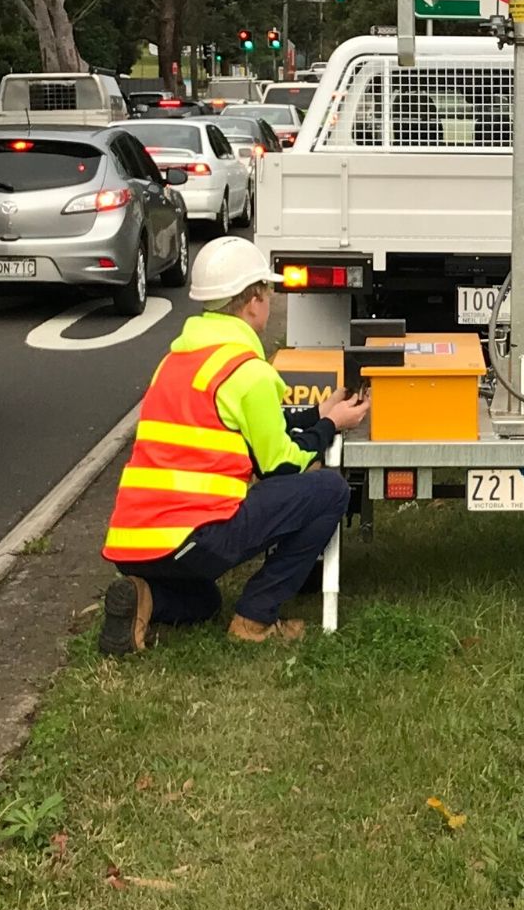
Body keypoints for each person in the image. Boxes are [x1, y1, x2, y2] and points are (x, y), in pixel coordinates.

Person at [97, 235, 369, 652]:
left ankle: (141, 596)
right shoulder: (247, 370)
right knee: (328, 490)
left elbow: (246, 425)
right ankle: (255, 620)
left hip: (133, 544)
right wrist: (331, 426)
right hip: (193, 537)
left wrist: (317, 414)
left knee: (204, 602)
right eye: (269, 292)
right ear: (253, 301)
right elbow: (281, 465)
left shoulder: (176, 362)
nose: (271, 301)